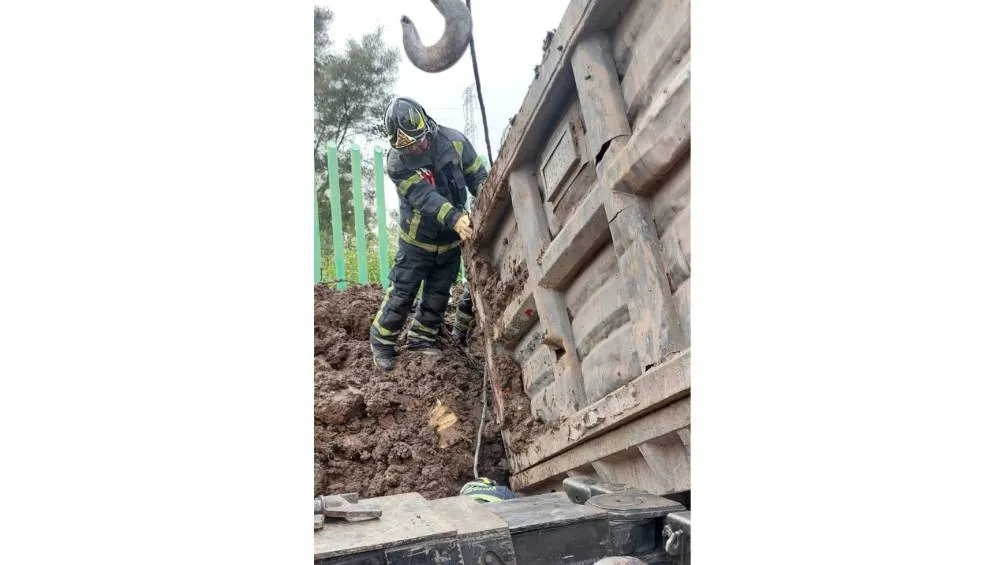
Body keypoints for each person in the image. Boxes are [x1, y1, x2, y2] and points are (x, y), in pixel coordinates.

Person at [370, 97, 487, 371]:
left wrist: (485, 200)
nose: (416, 148)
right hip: (416, 242)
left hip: (450, 242)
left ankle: (421, 339)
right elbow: (424, 197)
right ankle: (382, 342)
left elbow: (478, 177)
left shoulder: (456, 143)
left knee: (438, 294)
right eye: (408, 147)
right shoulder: (397, 163)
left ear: (427, 126)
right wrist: (455, 218)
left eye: (418, 141)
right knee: (402, 292)